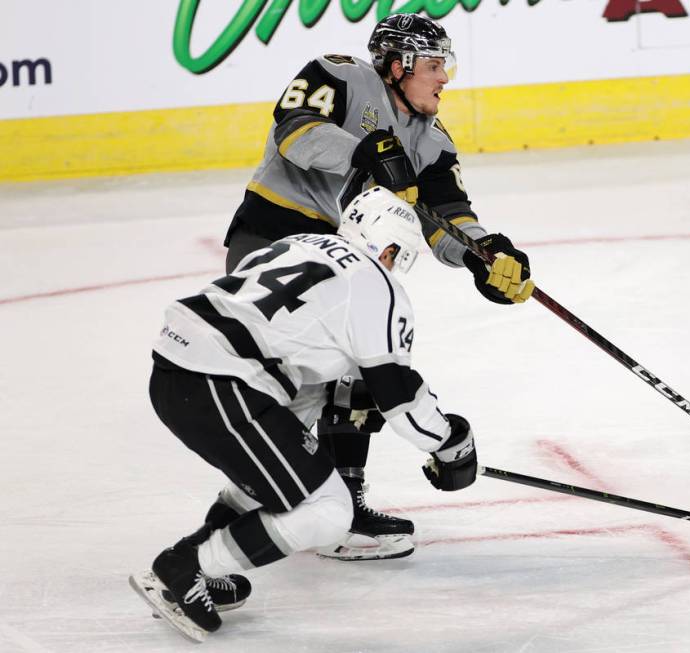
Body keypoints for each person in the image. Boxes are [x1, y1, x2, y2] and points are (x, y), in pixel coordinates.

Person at [218, 12, 533, 561]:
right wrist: (364, 152)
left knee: (366, 364)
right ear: (396, 66)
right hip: (274, 240)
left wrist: (486, 255)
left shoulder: (431, 138)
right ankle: (251, 509)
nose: (445, 79)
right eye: (434, 66)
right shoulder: (341, 76)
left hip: (347, 259)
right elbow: (293, 132)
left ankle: (342, 501)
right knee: (283, 381)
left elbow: (448, 215)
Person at [130, 187, 478, 643]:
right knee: (329, 510)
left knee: (276, 477)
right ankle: (186, 568)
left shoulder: (298, 244)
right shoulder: (377, 283)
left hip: (178, 369)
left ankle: (195, 559)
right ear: (390, 247)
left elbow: (315, 380)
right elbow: (400, 399)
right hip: (222, 380)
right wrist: (452, 443)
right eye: (398, 257)